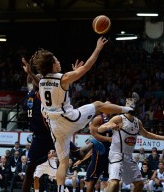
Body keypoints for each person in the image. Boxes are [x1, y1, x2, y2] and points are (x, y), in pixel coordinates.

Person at [30, 37, 133, 192]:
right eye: (57, 61)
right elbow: (86, 68)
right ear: (52, 64)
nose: (59, 62)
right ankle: (128, 109)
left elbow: (57, 88)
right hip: (69, 119)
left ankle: (59, 189)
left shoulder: (42, 81)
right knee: (98, 104)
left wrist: (73, 73)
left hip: (55, 126)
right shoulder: (63, 78)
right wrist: (98, 48)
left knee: (64, 162)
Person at [21, 57, 106, 192]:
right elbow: (30, 83)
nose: (38, 80)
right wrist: (29, 72)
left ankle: (93, 143)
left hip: (53, 132)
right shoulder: (30, 93)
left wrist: (32, 73)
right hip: (39, 137)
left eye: (39, 79)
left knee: (79, 156)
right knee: (29, 169)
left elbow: (58, 88)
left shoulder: (43, 94)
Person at [98, 92, 164, 192]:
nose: (132, 105)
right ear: (126, 105)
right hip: (116, 154)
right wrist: (109, 126)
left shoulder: (137, 122)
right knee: (114, 184)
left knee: (139, 184)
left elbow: (147, 134)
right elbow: (100, 129)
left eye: (134, 103)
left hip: (128, 157)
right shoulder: (119, 118)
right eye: (130, 102)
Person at [84, 110, 112, 192]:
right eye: (109, 107)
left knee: (107, 180)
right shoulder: (98, 119)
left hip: (109, 152)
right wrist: (108, 139)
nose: (111, 109)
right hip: (99, 151)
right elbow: (94, 134)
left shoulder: (112, 119)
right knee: (93, 180)